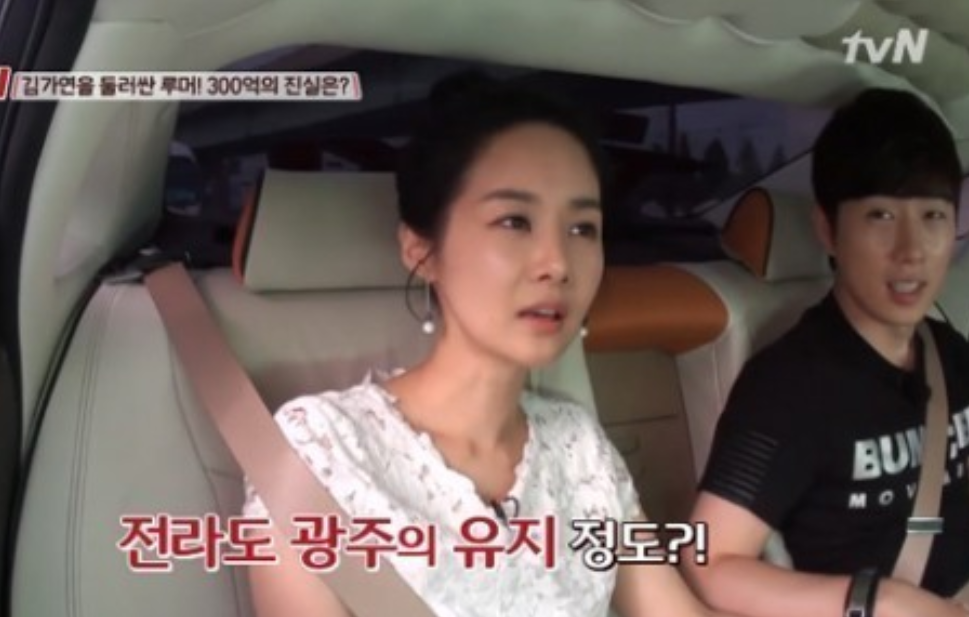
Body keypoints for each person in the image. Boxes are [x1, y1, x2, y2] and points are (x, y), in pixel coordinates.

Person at [242, 73, 725, 617]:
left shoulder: (579, 447)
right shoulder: (322, 449)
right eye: (515, 221)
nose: (557, 264)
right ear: (421, 250)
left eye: (582, 228)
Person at [683, 88, 969, 617]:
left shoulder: (952, 354)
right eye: (881, 216)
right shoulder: (790, 385)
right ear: (827, 229)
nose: (911, 250)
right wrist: (878, 602)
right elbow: (708, 560)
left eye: (933, 215)